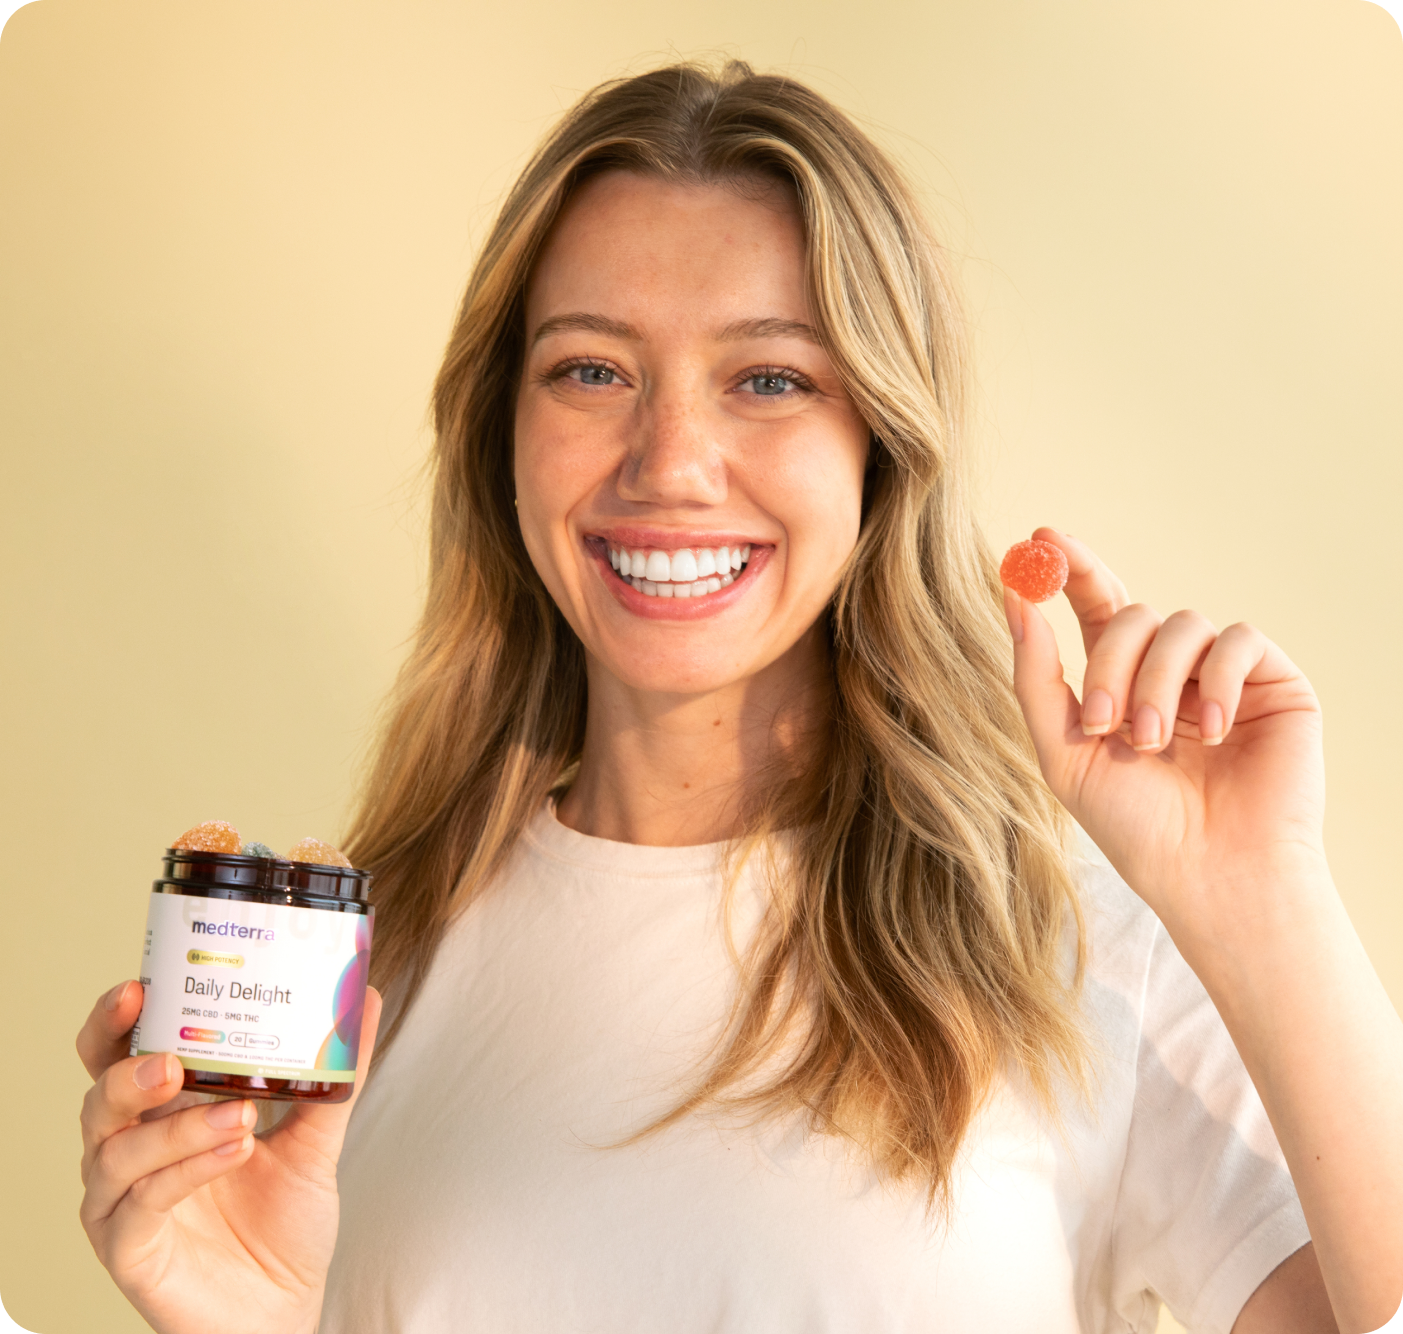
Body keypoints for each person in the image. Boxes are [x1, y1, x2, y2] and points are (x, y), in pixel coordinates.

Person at [74, 61, 1402, 1333]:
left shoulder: (1074, 955)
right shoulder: (363, 983)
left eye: (769, 378)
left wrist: (1261, 902)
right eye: (590, 370)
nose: (670, 461)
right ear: (504, 437)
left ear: (878, 449)